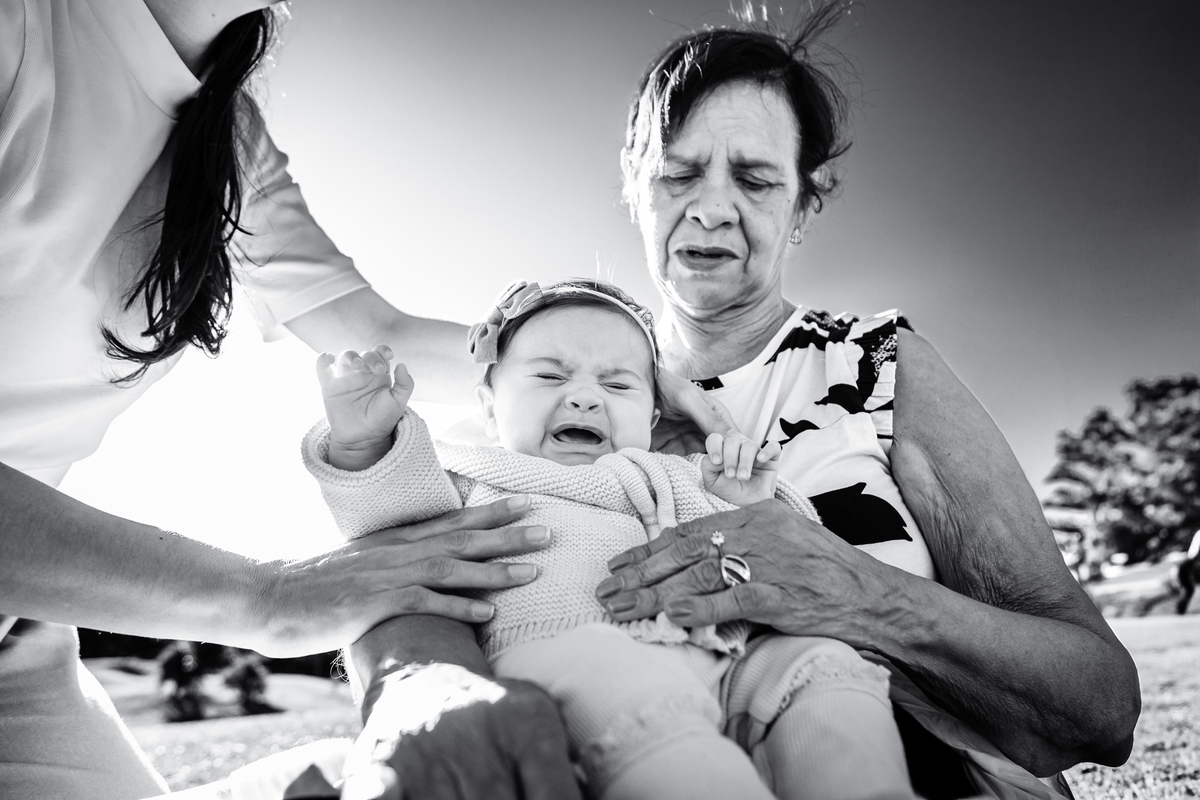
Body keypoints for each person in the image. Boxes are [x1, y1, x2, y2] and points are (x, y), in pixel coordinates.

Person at [0, 1, 580, 797]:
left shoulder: (228, 135)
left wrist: (632, 362)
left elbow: (378, 336)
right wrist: (271, 597)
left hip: (17, 631)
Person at [585, 12, 1141, 800]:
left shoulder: (876, 365)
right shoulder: (578, 394)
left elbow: (1101, 706)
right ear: (635, 188)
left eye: (754, 179)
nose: (710, 208)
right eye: (679, 174)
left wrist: (853, 591)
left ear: (804, 210)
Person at [301, 278, 919, 800]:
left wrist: (751, 501)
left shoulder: (678, 474)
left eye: (619, 385)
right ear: (488, 407)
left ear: (653, 419)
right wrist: (364, 446)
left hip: (724, 657)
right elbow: (390, 531)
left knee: (823, 668)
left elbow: (797, 554)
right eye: (549, 375)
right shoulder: (468, 475)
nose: (585, 396)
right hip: (559, 649)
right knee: (630, 694)